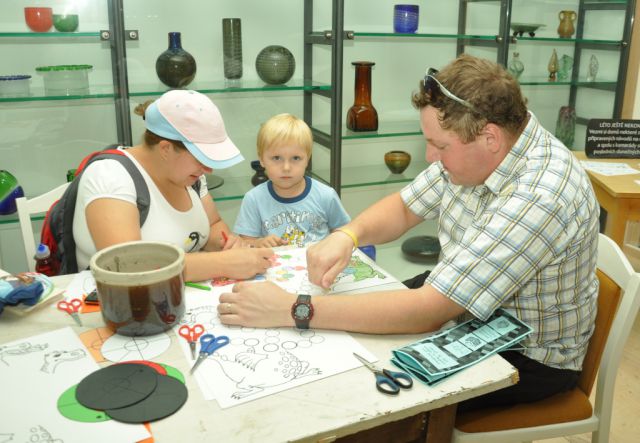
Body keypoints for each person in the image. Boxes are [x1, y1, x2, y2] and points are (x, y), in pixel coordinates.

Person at [217, 54, 600, 411]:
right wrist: (347, 235)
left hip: (525, 355)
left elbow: (429, 311)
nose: (430, 157)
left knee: (363, 400)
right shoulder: (479, 150)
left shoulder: (540, 195)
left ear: (490, 138)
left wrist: (292, 308)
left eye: (438, 145)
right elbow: (404, 208)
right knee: (352, 332)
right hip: (464, 309)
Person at [72, 89, 273, 282]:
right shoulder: (110, 176)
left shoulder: (190, 175)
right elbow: (129, 265)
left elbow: (213, 224)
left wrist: (225, 243)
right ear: (166, 148)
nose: (208, 169)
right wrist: (224, 263)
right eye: (201, 158)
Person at [233, 113, 350, 247]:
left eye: (296, 158)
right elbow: (245, 243)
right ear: (261, 159)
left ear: (307, 159)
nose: (286, 167)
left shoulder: (326, 196)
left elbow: (345, 233)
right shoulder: (253, 199)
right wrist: (259, 243)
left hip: (318, 260)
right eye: (277, 158)